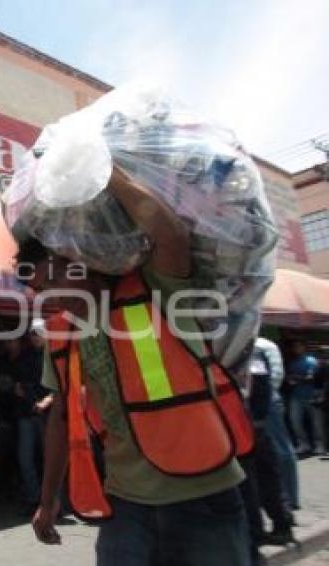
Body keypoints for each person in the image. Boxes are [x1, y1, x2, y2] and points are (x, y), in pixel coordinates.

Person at [23, 167, 252, 565]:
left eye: (50, 284)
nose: (47, 300)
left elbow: (171, 236)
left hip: (204, 497)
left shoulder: (156, 289)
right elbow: (60, 417)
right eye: (40, 291)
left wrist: (104, 169)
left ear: (80, 260)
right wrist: (47, 502)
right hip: (126, 504)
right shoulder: (62, 334)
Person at [12, 324, 54, 517]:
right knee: (25, 458)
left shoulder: (53, 356)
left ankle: (51, 500)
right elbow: (16, 382)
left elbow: (60, 386)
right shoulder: (23, 357)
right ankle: (34, 497)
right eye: (32, 334)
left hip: (47, 414)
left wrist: (47, 400)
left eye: (38, 334)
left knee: (50, 459)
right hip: (26, 413)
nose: (35, 337)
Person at [253, 337, 299, 510]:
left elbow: (276, 376)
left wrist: (266, 398)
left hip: (268, 401)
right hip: (252, 402)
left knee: (281, 449)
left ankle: (289, 498)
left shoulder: (263, 345)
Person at [285, 341, 325, 455]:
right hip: (296, 396)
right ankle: (303, 444)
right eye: (295, 347)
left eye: (298, 346)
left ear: (304, 347)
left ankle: (319, 444)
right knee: (295, 421)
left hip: (312, 395)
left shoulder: (311, 361)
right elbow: (289, 377)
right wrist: (292, 379)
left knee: (316, 422)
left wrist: (296, 378)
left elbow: (311, 378)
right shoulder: (293, 363)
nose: (296, 349)